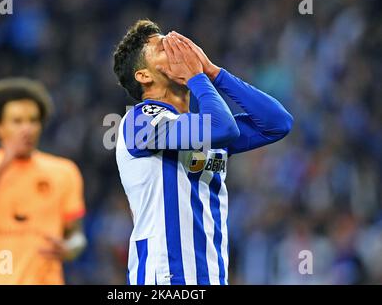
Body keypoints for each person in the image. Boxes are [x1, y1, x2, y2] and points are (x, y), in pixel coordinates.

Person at [113, 20, 293, 285]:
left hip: (211, 275)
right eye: (164, 47)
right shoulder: (140, 121)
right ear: (144, 75)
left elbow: (278, 123)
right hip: (164, 277)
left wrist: (213, 72)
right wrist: (197, 77)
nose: (179, 51)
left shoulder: (199, 128)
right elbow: (223, 127)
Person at [0, 78, 87, 285]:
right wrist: (3, 165)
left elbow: (76, 235)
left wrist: (71, 248)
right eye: (17, 121)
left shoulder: (64, 171)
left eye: (33, 120)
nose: (27, 128)